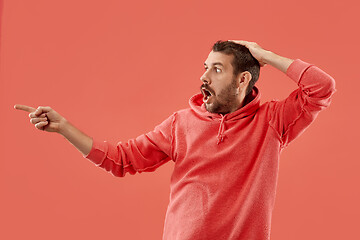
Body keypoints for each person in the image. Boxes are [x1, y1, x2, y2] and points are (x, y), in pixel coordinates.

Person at [14, 40, 337, 240]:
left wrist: (264, 54)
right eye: (205, 68)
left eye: (216, 69)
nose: (204, 77)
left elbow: (321, 87)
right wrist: (65, 128)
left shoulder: (271, 121)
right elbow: (121, 160)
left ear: (242, 80)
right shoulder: (180, 124)